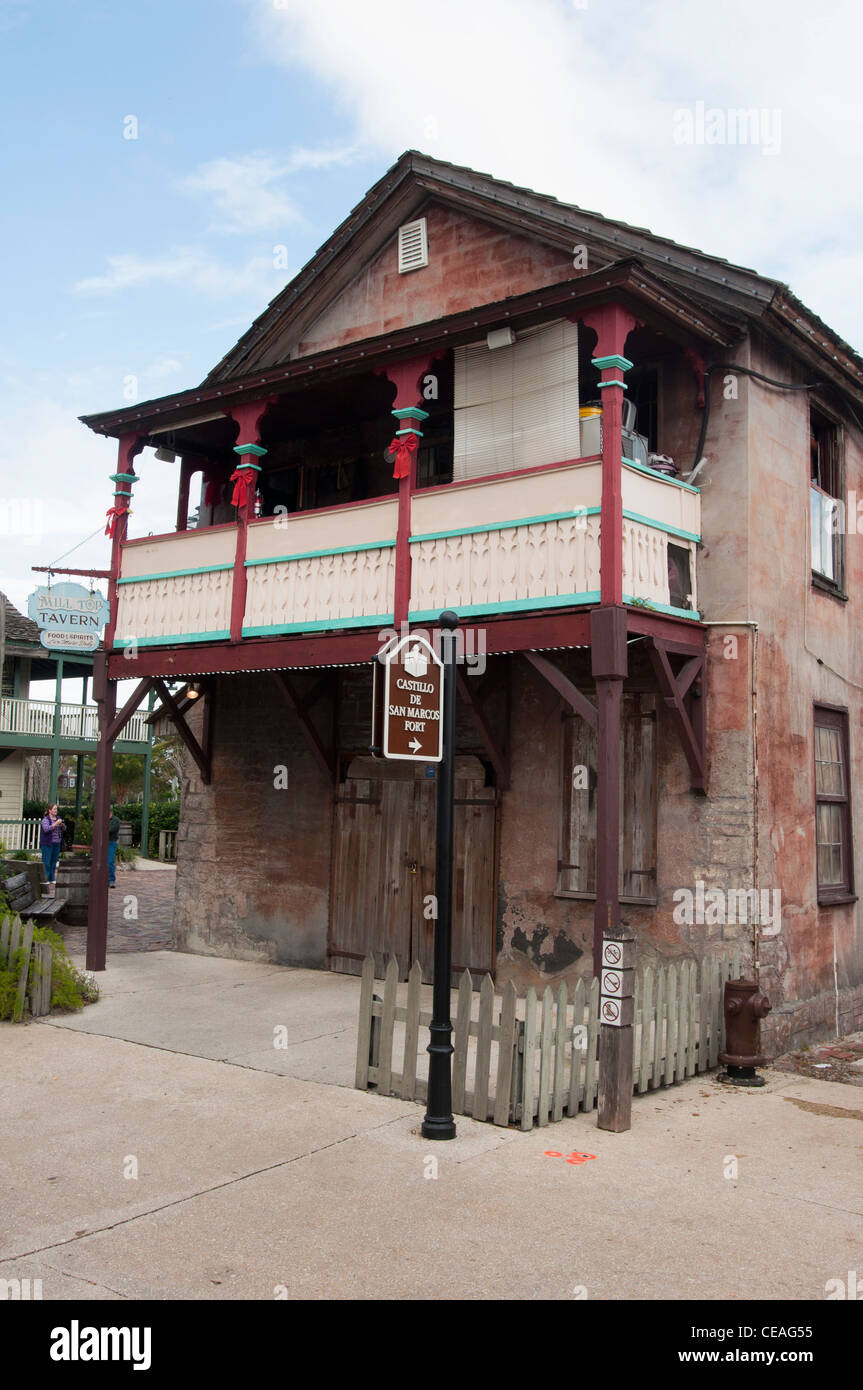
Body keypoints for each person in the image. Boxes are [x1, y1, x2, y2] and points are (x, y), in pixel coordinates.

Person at [40, 804, 64, 889]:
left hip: (57, 843)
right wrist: (55, 824)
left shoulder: (58, 818)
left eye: (56, 809)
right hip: (47, 843)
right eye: (54, 809)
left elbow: (64, 829)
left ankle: (52, 878)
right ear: (50, 810)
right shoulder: (45, 820)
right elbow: (46, 829)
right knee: (46, 861)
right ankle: (45, 878)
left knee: (54, 862)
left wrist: (62, 825)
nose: (55, 811)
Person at [108, 807, 120, 888]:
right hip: (102, 842)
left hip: (111, 842)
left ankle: (111, 880)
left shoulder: (115, 820)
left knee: (110, 862)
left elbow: (111, 830)